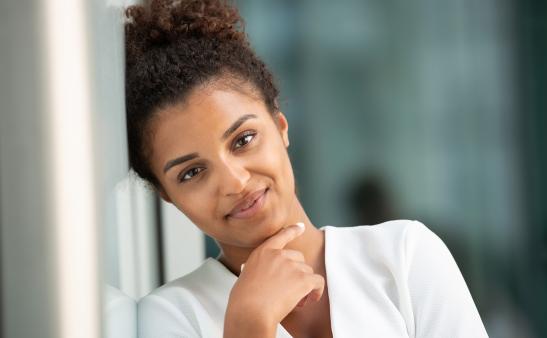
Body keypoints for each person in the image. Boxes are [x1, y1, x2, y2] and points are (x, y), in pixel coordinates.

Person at [126, 1, 489, 337]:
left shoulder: (404, 258)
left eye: (243, 140)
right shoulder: (172, 318)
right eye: (191, 173)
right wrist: (248, 325)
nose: (234, 181)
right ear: (165, 193)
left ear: (281, 127)